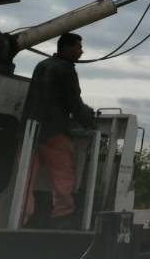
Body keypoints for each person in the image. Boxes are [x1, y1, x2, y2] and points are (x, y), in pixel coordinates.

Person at [22, 32, 95, 228]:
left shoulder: (42, 65)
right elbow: (74, 104)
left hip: (32, 130)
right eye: (78, 47)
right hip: (54, 130)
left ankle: (23, 216)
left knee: (26, 178)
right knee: (64, 174)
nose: (81, 52)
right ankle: (63, 216)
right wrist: (90, 120)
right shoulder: (66, 70)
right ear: (66, 48)